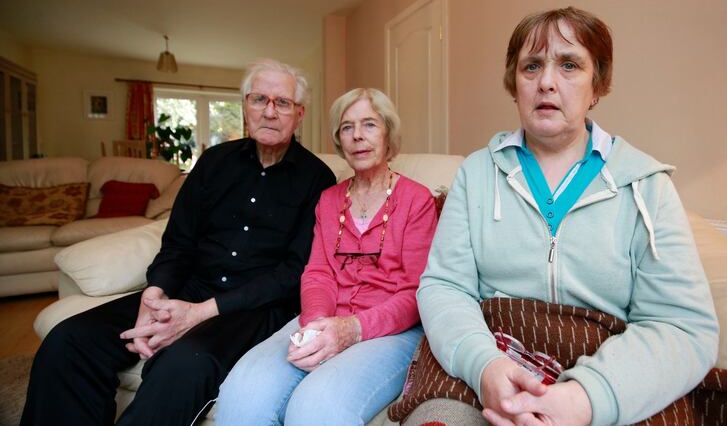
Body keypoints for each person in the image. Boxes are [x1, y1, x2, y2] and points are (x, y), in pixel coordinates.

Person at [415, 7, 719, 426]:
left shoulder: (648, 185)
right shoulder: (476, 173)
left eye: (569, 65)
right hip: (490, 357)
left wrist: (583, 401)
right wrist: (484, 366)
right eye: (532, 66)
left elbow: (683, 327)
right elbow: (444, 286)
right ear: (514, 83)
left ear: (598, 85)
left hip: (609, 371)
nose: (546, 82)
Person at [21, 59, 336, 426]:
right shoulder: (212, 163)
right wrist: (154, 293)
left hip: (253, 308)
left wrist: (200, 313)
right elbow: (178, 242)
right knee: (69, 340)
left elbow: (294, 273)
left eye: (282, 103)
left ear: (298, 114)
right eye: (259, 99)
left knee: (184, 364)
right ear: (244, 107)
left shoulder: (318, 179)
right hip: (189, 288)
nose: (269, 111)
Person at [215, 88, 438, 425]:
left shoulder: (416, 200)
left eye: (369, 125)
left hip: (390, 331)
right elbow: (318, 273)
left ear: (388, 133)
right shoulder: (329, 199)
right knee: (241, 393)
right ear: (339, 139)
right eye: (347, 128)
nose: (358, 136)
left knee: (316, 408)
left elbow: (414, 292)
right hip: (325, 318)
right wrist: (318, 324)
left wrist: (351, 329)